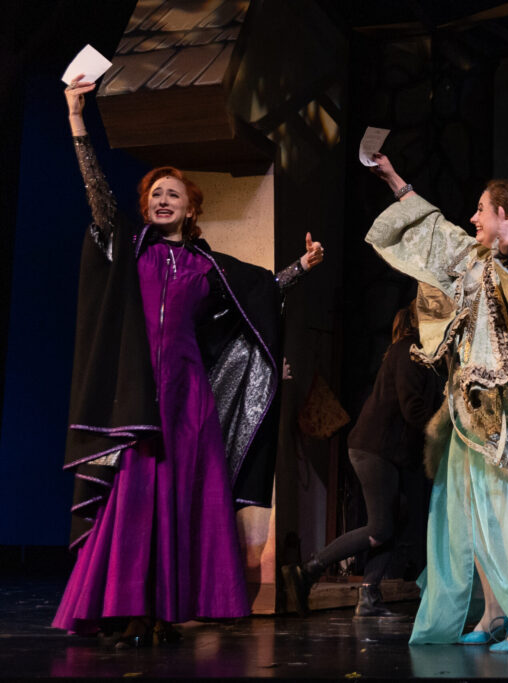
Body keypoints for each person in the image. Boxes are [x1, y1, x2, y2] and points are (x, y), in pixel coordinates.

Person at [53, 76, 324, 646]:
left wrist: (300, 268)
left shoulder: (209, 269)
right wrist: (78, 119)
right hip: (137, 395)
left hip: (188, 399)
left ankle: (167, 610)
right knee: (135, 498)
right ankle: (128, 606)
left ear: (191, 207)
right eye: (155, 193)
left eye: (172, 194)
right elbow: (98, 194)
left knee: (180, 499)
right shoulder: (128, 251)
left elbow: (261, 297)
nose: (161, 199)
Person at [364, 153, 508, 654]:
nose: (471, 217)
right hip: (473, 409)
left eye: (480, 209)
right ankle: (494, 613)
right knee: (475, 517)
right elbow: (432, 228)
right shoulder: (470, 256)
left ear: (505, 216)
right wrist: (391, 177)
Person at [282, 302, 442, 618]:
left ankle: (369, 596)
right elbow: (413, 409)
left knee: (398, 517)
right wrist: (445, 427)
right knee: (381, 526)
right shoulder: (409, 350)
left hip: (384, 451)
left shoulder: (415, 354)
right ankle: (307, 571)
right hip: (374, 449)